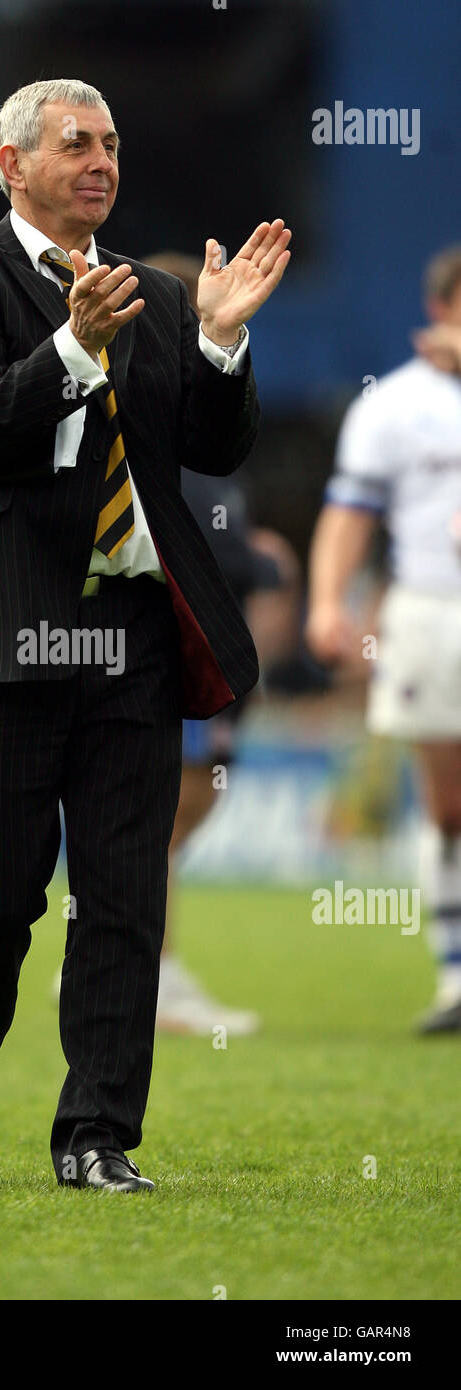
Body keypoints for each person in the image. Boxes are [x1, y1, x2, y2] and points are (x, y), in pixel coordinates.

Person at [0, 78, 291, 1191]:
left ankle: (96, 1137)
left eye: (110, 144)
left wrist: (218, 344)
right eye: (75, 144)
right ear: (13, 164)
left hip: (130, 640)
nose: (101, 161)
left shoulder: (152, 290)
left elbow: (207, 443)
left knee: (123, 899)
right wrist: (69, 347)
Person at [143, 252, 300, 1036]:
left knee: (174, 824)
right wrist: (261, 561)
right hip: (183, 661)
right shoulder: (161, 424)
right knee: (164, 824)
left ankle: (134, 961)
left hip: (210, 662)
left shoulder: (207, 418)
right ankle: (154, 974)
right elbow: (198, 545)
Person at [306, 245, 461, 1034]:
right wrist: (328, 598)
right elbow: (350, 512)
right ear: (442, 309)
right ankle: (454, 975)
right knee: (448, 800)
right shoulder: (394, 405)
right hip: (432, 609)